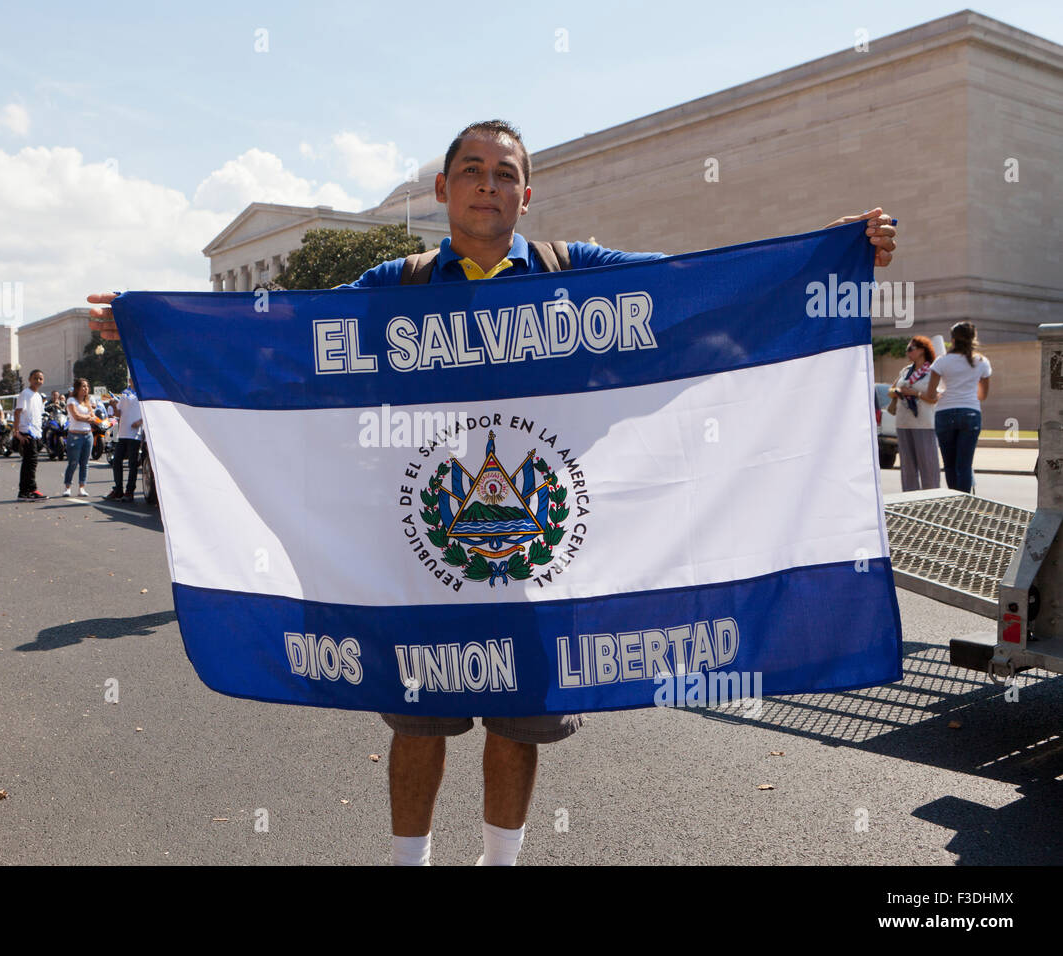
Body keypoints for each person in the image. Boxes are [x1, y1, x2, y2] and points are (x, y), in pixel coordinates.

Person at [87, 119, 899, 866]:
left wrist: (827, 254)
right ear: (442, 191)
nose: (487, 185)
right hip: (416, 552)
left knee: (519, 718)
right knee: (418, 716)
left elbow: (705, 286)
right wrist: (152, 322)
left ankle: (499, 861)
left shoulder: (574, 274)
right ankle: (412, 861)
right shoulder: (396, 283)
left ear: (525, 194)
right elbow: (279, 333)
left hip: (542, 557)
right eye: (471, 170)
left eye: (504, 173)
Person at [925, 321, 991, 493]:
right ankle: (965, 504)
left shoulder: (941, 361)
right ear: (973, 339)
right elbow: (982, 395)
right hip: (970, 412)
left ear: (952, 339)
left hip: (945, 412)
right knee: (964, 465)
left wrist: (941, 393)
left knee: (950, 465)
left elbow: (931, 394)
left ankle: (954, 502)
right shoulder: (981, 362)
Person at [887, 336, 940, 490]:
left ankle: (931, 500)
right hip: (903, 423)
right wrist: (897, 392)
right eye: (907, 350)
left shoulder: (932, 372)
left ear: (922, 350)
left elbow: (934, 398)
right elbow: (891, 390)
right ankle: (910, 499)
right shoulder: (905, 371)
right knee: (907, 467)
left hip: (923, 423)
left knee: (928, 465)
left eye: (911, 349)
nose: (908, 352)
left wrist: (914, 393)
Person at [13, 369, 47, 500]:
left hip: (36, 433)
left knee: (30, 463)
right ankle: (30, 489)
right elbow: (17, 412)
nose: (38, 381)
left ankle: (24, 491)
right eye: (35, 378)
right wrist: (17, 433)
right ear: (29, 379)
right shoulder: (25, 394)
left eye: (40, 379)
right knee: (30, 462)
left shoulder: (38, 396)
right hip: (27, 433)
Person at [107, 386, 143, 503]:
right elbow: (119, 413)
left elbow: (149, 411)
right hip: (122, 433)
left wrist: (140, 421)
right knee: (116, 461)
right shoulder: (125, 393)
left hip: (134, 434)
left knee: (133, 463)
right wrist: (113, 405)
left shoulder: (142, 391)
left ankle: (129, 491)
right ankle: (118, 490)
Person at [63, 377, 96, 497]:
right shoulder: (71, 400)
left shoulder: (88, 402)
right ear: (77, 388)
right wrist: (88, 418)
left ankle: (82, 487)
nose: (86, 389)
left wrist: (89, 418)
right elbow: (76, 416)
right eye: (83, 386)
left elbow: (93, 417)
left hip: (88, 435)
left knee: (85, 463)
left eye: (87, 386)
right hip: (75, 435)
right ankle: (67, 487)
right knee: (73, 462)